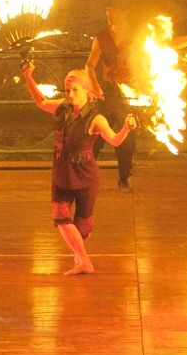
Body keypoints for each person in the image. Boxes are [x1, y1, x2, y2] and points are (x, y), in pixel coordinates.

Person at [23, 64, 136, 275]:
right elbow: (40, 101)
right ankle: (84, 261)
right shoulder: (62, 108)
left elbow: (115, 140)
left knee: (82, 228)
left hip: (85, 177)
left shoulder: (96, 118)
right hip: (61, 173)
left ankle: (81, 259)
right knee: (61, 218)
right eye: (67, 90)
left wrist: (126, 128)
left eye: (75, 89)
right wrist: (28, 76)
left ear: (86, 91)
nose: (70, 94)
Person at [86, 6, 187, 192]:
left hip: (130, 94)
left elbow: (169, 43)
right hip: (107, 94)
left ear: (123, 11)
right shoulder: (101, 37)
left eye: (114, 11)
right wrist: (94, 86)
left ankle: (124, 178)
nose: (109, 16)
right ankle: (85, 175)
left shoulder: (138, 36)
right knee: (96, 135)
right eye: (107, 12)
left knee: (127, 137)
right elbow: (89, 66)